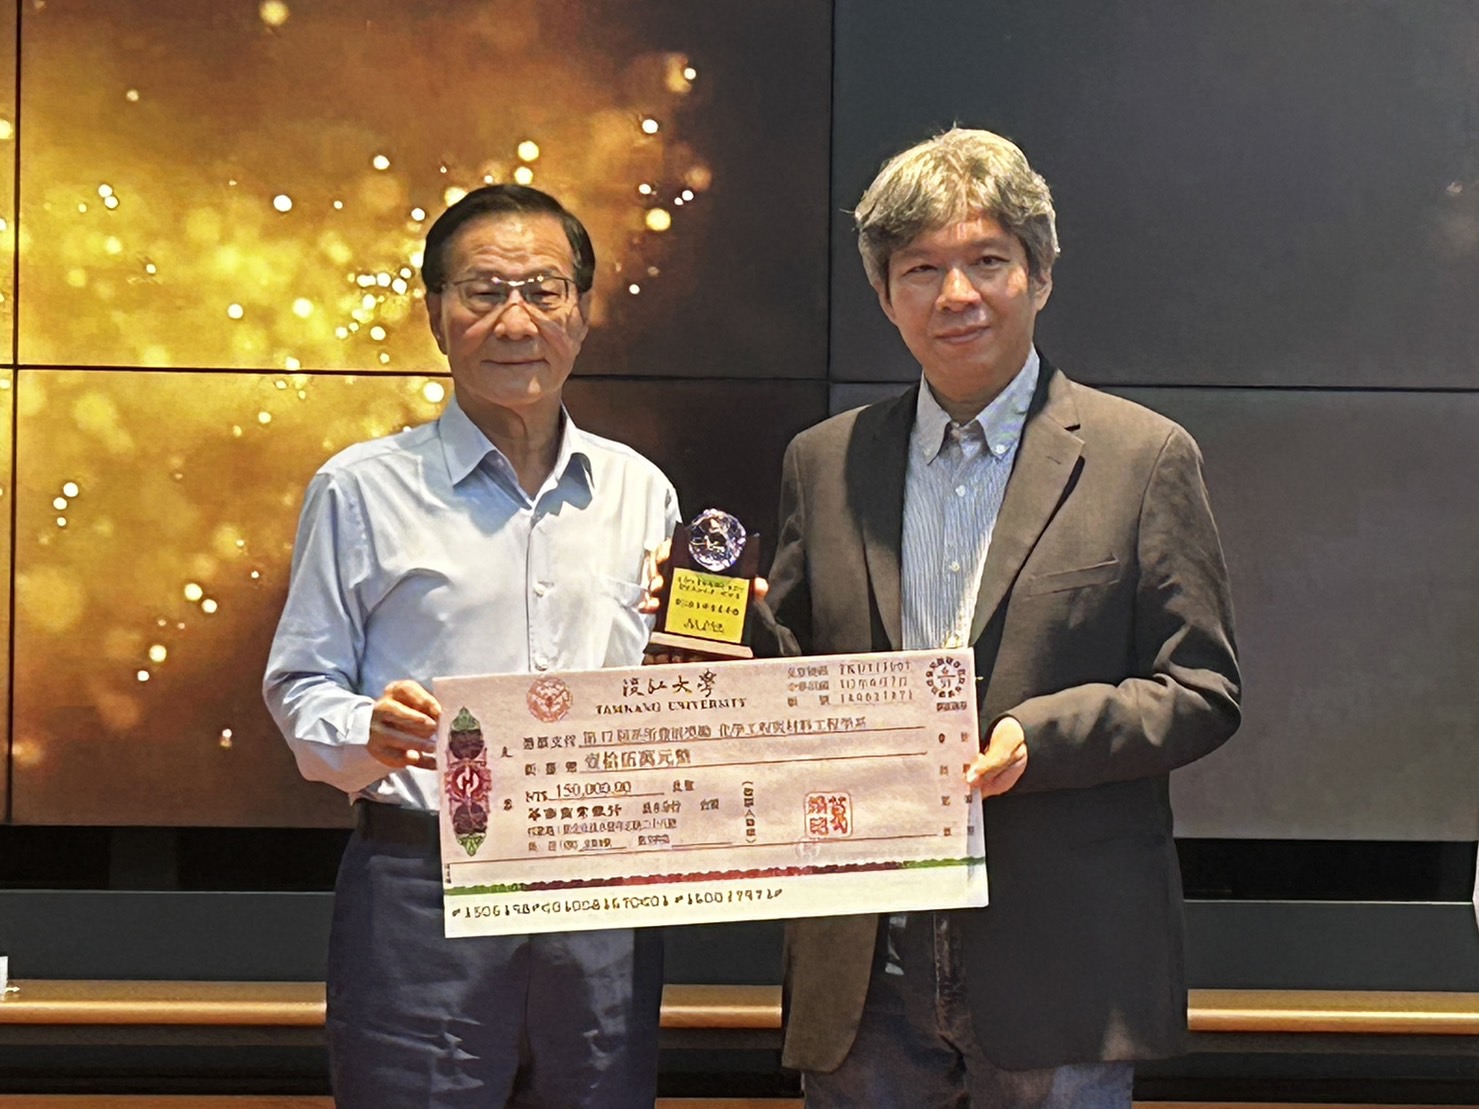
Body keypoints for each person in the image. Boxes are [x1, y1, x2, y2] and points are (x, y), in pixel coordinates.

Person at [755, 128, 1241, 1106]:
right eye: (920, 268)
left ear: (1041, 274)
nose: (956, 294)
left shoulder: (1142, 456)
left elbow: (1201, 689)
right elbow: (791, 673)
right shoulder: (824, 460)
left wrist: (1036, 736)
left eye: (986, 261)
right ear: (885, 293)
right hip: (867, 951)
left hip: (1059, 951)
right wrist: (712, 637)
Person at [263, 184, 678, 1108]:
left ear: (582, 310)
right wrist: (368, 728)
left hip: (599, 888)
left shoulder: (640, 492)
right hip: (424, 884)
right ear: (435, 315)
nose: (515, 320)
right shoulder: (361, 489)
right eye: (484, 292)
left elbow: (665, 690)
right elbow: (300, 684)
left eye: (543, 290)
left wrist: (712, 659)